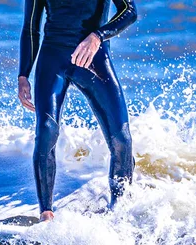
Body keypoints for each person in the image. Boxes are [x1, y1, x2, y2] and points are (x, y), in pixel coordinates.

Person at [17, 0, 137, 222]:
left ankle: (120, 211)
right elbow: (30, 28)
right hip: (53, 57)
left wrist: (98, 36)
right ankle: (46, 213)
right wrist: (23, 75)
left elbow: (129, 12)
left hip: (95, 58)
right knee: (46, 130)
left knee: (122, 138)